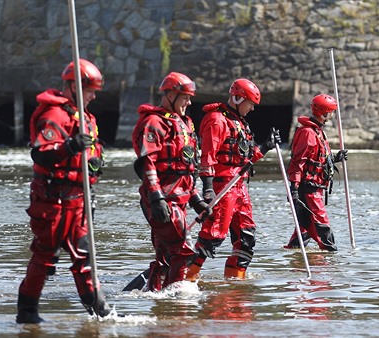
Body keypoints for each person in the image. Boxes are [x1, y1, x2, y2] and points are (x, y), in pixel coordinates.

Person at [17, 59, 111, 323]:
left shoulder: (85, 117)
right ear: (75, 86)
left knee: (85, 256)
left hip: (79, 198)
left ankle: (99, 310)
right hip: (53, 199)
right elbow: (41, 154)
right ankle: (27, 311)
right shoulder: (54, 115)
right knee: (45, 256)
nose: (93, 96)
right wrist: (69, 147)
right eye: (90, 90)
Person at [186, 78, 281, 280]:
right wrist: (208, 189)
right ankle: (183, 277)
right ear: (238, 98)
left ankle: (235, 283)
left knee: (246, 239)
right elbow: (208, 157)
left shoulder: (239, 123)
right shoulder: (216, 120)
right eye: (250, 104)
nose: (252, 109)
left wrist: (265, 146)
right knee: (212, 237)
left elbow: (244, 159)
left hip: (240, 188)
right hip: (223, 187)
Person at [132, 72, 212, 291]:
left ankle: (156, 296)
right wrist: (156, 197)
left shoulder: (185, 124)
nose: (189, 102)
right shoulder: (153, 122)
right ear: (169, 95)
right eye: (184, 97)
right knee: (183, 252)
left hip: (180, 200)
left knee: (166, 256)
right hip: (162, 201)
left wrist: (196, 201)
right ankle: (177, 299)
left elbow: (185, 171)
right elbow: (147, 162)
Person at [282, 94, 347, 251]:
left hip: (315, 186)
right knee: (321, 224)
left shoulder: (318, 131)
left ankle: (294, 256)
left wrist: (336, 157)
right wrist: (294, 187)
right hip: (308, 189)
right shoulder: (308, 133)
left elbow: (320, 157)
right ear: (324, 113)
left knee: (305, 228)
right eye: (331, 112)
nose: (332, 115)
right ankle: (329, 255)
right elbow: (298, 162)